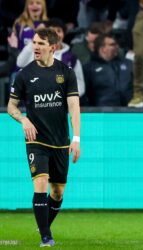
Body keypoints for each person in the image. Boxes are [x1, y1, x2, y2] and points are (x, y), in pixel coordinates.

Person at [7, 28, 80, 247]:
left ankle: (43, 223)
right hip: (35, 140)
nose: (35, 47)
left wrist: (76, 138)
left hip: (60, 141)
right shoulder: (24, 74)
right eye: (34, 43)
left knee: (57, 193)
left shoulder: (66, 73)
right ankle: (46, 237)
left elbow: (74, 106)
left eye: (41, 44)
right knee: (40, 183)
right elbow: (11, 106)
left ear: (53, 47)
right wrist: (24, 120)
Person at [16, 18, 86, 97]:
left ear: (64, 34)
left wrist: (68, 97)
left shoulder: (72, 58)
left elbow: (80, 84)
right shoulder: (36, 51)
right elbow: (20, 63)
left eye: (59, 31)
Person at [83, 33, 133, 106]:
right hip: (102, 113)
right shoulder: (89, 68)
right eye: (112, 44)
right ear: (102, 48)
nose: (117, 47)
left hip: (130, 111)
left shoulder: (127, 64)